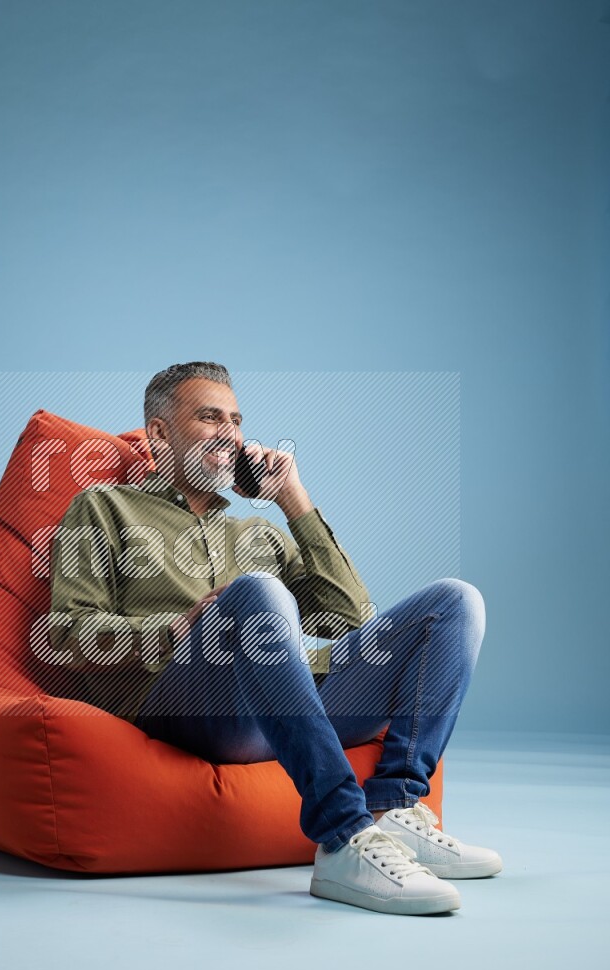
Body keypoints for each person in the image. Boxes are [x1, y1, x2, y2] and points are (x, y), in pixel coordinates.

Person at [48, 361, 501, 916]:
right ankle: (342, 837)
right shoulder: (103, 508)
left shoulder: (256, 531)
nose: (231, 434)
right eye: (210, 418)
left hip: (289, 709)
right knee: (259, 590)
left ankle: (395, 809)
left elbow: (351, 620)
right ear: (159, 433)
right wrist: (175, 630)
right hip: (192, 707)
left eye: (236, 421)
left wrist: (292, 499)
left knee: (454, 603)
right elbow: (68, 633)